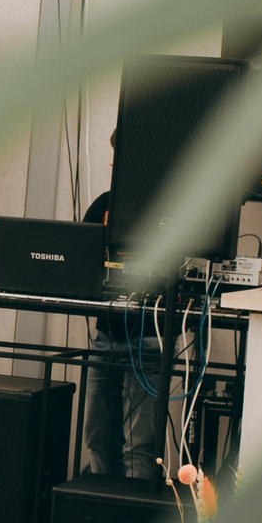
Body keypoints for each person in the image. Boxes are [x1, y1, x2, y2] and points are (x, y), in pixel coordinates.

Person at [80, 134, 159, 482]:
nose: (112, 164)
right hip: (106, 335)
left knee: (138, 445)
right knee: (97, 436)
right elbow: (76, 257)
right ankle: (98, 512)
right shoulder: (103, 204)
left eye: (119, 157)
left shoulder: (165, 206)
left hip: (147, 340)